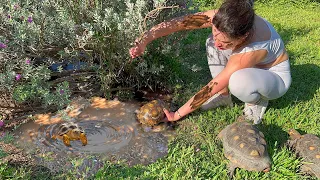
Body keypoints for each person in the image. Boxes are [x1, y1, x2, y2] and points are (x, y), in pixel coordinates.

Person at [129, 0, 292, 124]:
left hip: (273, 76)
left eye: (225, 42)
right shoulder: (223, 18)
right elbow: (179, 24)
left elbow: (212, 86)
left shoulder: (249, 52)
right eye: (215, 32)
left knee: (238, 81)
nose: (218, 42)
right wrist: (145, 40)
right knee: (212, 43)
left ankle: (255, 101)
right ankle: (224, 98)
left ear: (242, 37)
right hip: (249, 63)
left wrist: (177, 114)